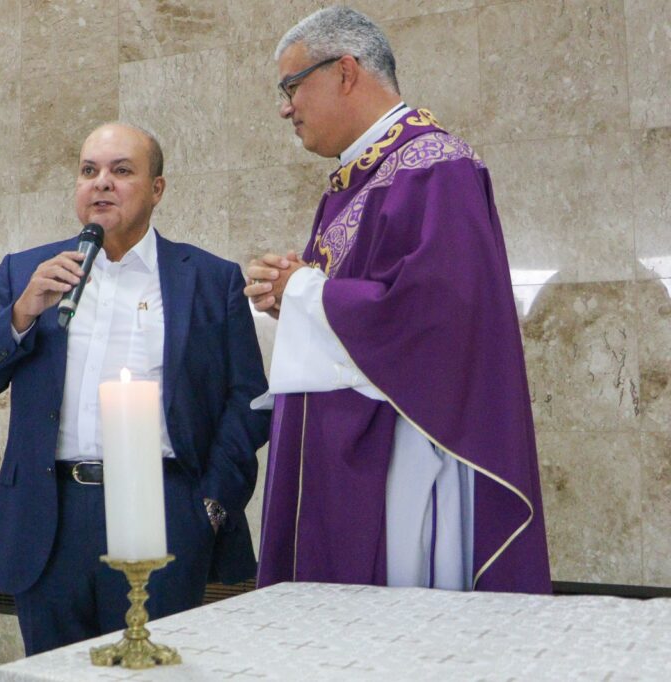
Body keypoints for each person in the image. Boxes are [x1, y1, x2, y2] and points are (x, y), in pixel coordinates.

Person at [244, 6, 551, 594]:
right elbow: (364, 300)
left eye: (291, 86)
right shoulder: (364, 174)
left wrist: (303, 291)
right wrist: (295, 294)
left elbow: (434, 316)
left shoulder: (434, 167)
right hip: (355, 443)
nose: (285, 107)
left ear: (346, 72)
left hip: (406, 449)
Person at [0, 122, 269, 654]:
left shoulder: (210, 279)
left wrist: (209, 505)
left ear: (157, 189)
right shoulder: (27, 272)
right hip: (51, 516)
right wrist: (22, 313)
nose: (101, 183)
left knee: (150, 670)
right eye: (88, 170)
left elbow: (250, 400)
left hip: (163, 509)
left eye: (121, 171)